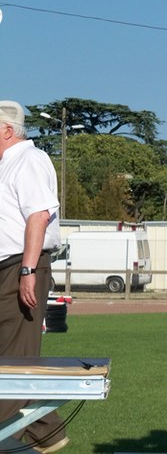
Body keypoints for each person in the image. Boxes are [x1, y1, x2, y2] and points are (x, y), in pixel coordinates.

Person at [0, 100, 69, 453]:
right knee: (11, 357)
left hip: (20, 266)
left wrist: (27, 270)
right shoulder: (7, 164)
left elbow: (38, 217)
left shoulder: (29, 159)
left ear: (8, 130)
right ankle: (47, 432)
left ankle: (39, 433)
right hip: (8, 267)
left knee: (14, 359)